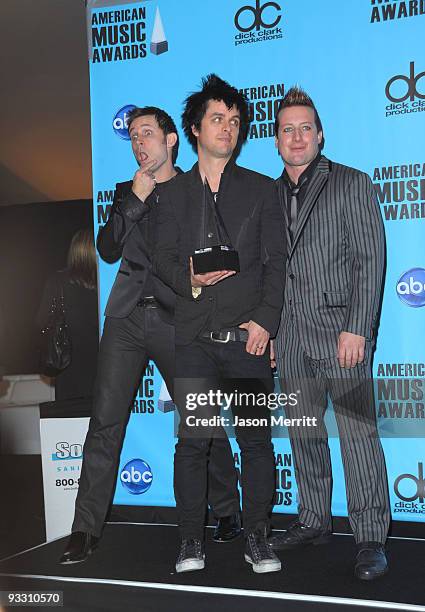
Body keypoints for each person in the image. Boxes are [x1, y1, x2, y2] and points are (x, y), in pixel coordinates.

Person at [60, 106, 240, 564]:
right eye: (133, 136)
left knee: (200, 416)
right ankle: (85, 528)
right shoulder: (127, 192)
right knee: (104, 422)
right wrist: (136, 199)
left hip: (177, 319)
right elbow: (106, 248)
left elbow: (214, 256)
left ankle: (225, 509)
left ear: (171, 139)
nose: (139, 143)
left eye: (147, 134)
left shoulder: (197, 190)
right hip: (124, 321)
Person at [153, 75, 285, 574]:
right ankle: (190, 541)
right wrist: (188, 275)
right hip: (193, 342)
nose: (227, 127)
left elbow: (278, 263)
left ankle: (258, 538)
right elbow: (163, 260)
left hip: (247, 342)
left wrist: (266, 323)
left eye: (234, 120)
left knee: (255, 443)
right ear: (193, 128)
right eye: (217, 119)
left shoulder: (261, 190)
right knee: (194, 443)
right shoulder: (172, 195)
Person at [271, 86, 390, 580]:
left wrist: (357, 328)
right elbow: (270, 269)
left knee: (358, 436)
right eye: (287, 130)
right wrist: (272, 331)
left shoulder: (351, 183)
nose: (296, 138)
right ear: (276, 141)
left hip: (343, 337)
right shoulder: (266, 194)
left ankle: (369, 537)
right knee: (304, 436)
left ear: (320, 135)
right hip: (291, 339)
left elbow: (371, 260)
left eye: (305, 128)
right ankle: (315, 519)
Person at [37, 228, 99, 400]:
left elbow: (42, 321)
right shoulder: (107, 281)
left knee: (69, 420)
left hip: (67, 364)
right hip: (105, 366)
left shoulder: (57, 281)